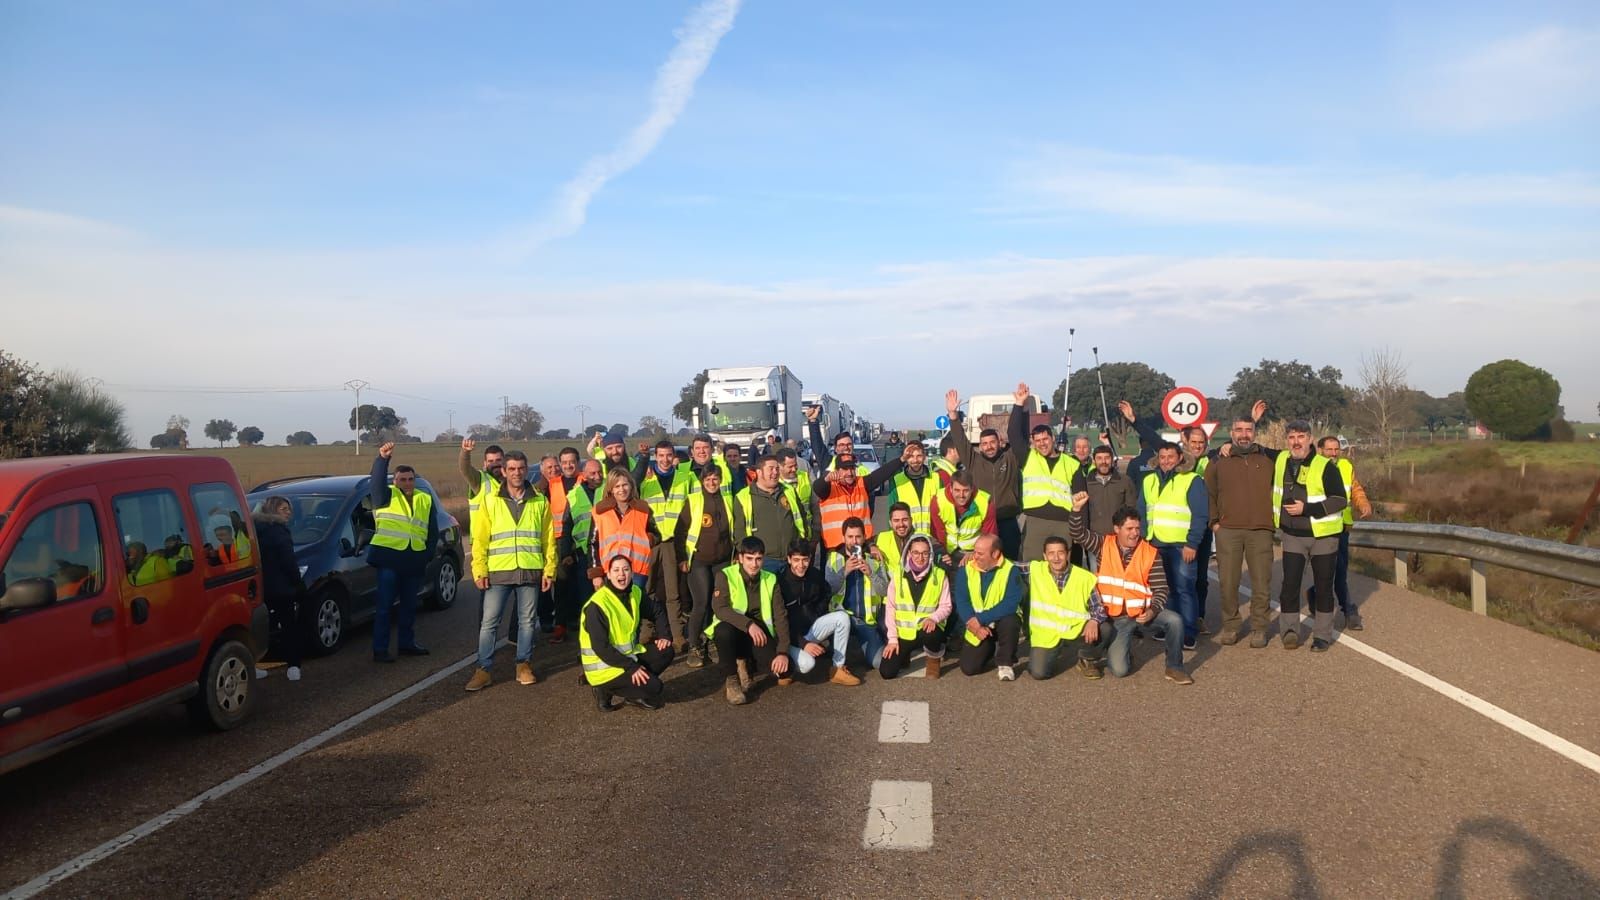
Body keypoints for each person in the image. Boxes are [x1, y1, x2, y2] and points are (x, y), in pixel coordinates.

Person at [1068, 502, 1193, 684]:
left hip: (1142, 613)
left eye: (1137, 528)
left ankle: (1174, 667)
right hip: (1112, 617)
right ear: (1117, 529)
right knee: (1120, 670)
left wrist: (1153, 610)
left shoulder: (1150, 553)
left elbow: (1160, 588)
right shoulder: (1103, 544)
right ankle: (1090, 656)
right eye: (1129, 528)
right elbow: (1078, 533)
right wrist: (1076, 510)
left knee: (1175, 621)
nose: (1135, 533)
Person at [466, 450, 555, 692]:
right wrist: (479, 569)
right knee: (489, 623)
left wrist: (549, 570)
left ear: (527, 470)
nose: (517, 473)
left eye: (521, 468)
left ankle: (523, 665)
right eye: (512, 469)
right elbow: (481, 539)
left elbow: (548, 539)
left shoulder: (539, 500)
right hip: (498, 572)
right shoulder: (490, 500)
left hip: (529, 570)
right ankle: (483, 670)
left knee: (527, 622)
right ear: (504, 471)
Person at [1266, 420, 1348, 651]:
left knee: (1323, 586)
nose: (1296, 442)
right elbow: (1253, 448)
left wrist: (1307, 509)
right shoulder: (1282, 459)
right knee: (1289, 585)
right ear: (1287, 440)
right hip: (1292, 535)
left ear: (1310, 439)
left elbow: (1340, 500)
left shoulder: (1325, 466)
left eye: (1301, 437)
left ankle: (1322, 635)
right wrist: (1224, 447)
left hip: (1323, 535)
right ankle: (1290, 631)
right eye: (1291, 437)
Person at [1205, 402, 1277, 648]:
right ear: (1231, 432)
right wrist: (1214, 523)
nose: (1244, 434)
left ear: (1255, 432)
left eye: (1249, 429)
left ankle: (1259, 627)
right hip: (1228, 530)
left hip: (1261, 529)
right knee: (1228, 582)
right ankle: (1231, 625)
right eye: (1239, 430)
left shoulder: (1268, 458)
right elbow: (1210, 493)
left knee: (1261, 582)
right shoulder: (1217, 459)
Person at [1137, 440, 1209, 651]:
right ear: (1157, 459)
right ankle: (1167, 626)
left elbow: (1200, 515)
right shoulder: (1149, 480)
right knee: (1163, 589)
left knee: (1185, 589)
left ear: (1179, 458)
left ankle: (1188, 631)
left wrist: (1192, 543)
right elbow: (1141, 511)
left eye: (1171, 457)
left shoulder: (1192, 480)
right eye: (1162, 457)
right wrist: (1143, 539)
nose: (1166, 461)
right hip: (1155, 544)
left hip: (1181, 546)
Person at [367, 443, 435, 662]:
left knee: (409, 607)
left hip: (413, 560)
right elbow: (375, 482)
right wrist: (382, 459)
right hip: (389, 560)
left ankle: (406, 644)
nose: (407, 483)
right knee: (385, 608)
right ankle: (380, 650)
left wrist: (427, 554)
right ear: (394, 481)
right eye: (402, 479)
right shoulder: (385, 496)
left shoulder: (425, 499)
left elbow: (431, 530)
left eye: (410, 479)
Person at [581, 555, 674, 712]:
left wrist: (664, 635)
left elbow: (656, 611)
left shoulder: (635, 592)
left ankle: (632, 692)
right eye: (616, 570)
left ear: (632, 573)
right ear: (608, 575)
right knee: (655, 688)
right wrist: (632, 668)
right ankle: (603, 689)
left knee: (666, 651)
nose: (621, 574)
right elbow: (600, 647)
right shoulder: (597, 605)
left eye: (625, 569)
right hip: (604, 669)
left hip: (627, 657)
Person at [1009, 383, 1087, 562]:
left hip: (1064, 523)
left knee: (1061, 567)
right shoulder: (1028, 458)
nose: (1042, 444)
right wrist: (1019, 404)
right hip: (1036, 521)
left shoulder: (1071, 464)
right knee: (1032, 567)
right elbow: (1013, 434)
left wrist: (1078, 529)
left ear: (1053, 438)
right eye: (1037, 441)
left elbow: (1080, 500)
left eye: (1045, 439)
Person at [709, 537, 791, 705]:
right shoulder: (725, 575)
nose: (754, 564)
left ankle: (746, 662)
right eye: (749, 558)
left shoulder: (770, 579)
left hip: (758, 632)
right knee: (723, 632)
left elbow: (780, 616)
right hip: (734, 627)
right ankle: (732, 680)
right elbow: (720, 608)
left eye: (759, 559)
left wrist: (783, 651)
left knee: (785, 671)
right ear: (740, 558)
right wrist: (749, 625)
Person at [633, 440, 695, 653]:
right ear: (655, 456)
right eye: (661, 456)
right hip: (649, 541)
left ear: (673, 456)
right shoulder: (646, 481)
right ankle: (647, 630)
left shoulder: (684, 479)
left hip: (672, 543)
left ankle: (677, 634)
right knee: (647, 589)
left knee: (672, 591)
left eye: (669, 455)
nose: (665, 460)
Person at [944, 389, 1022, 558]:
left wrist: (1019, 406)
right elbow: (960, 439)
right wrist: (953, 415)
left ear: (1000, 443)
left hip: (1008, 522)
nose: (988, 446)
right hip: (983, 523)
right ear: (979, 446)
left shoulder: (1010, 459)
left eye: (992, 442)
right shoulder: (974, 461)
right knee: (984, 565)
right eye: (984, 443)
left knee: (1009, 564)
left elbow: (1018, 436)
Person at [1308, 435, 1373, 629]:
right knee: (1325, 573)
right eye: (1329, 450)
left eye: (1337, 449)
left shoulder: (1345, 466)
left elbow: (1355, 489)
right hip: (1318, 528)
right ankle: (1316, 595)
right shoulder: (1313, 467)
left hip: (1341, 528)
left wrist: (1364, 504)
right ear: (1320, 450)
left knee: (1340, 571)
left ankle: (1349, 611)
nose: (1334, 453)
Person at [778, 539, 861, 686]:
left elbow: (824, 597)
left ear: (810, 559)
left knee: (842, 617)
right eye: (796, 560)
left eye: (805, 560)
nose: (801, 565)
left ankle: (838, 668)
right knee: (807, 664)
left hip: (809, 630)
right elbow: (779, 623)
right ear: (789, 559)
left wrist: (816, 614)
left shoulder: (815, 575)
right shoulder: (780, 582)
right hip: (786, 638)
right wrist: (804, 644)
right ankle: (786, 666)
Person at [1024, 535, 1104, 681]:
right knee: (1039, 673)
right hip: (1046, 635)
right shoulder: (1034, 569)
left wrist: (1094, 621)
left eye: (1060, 553)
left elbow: (1099, 606)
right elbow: (1005, 565)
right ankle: (1054, 652)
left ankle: (1086, 658)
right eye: (1051, 553)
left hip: (1076, 631)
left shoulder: (1084, 577)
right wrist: (974, 557)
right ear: (1044, 556)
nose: (1056, 558)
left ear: (1068, 554)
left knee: (1105, 627)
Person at [679, 465, 734, 668]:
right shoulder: (693, 501)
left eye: (715, 479)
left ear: (721, 481)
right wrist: (682, 559)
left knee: (717, 603)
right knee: (701, 604)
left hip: (723, 560)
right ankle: (694, 645)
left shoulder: (727, 500)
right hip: (699, 561)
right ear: (702, 481)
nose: (712, 483)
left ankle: (712, 641)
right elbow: (681, 532)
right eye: (708, 479)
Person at [952, 534, 1025, 679]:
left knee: (1011, 621)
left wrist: (980, 619)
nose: (975, 556)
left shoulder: (1011, 570)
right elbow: (961, 600)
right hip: (978, 624)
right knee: (969, 668)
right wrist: (974, 624)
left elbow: (1011, 603)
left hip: (1001, 620)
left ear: (995, 553)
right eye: (974, 551)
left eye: (980, 553)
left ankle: (1005, 663)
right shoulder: (965, 570)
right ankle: (989, 648)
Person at [824, 517, 890, 675]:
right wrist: (844, 572)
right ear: (843, 538)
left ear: (864, 537)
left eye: (858, 536)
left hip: (866, 620)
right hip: (842, 619)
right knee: (840, 660)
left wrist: (871, 573)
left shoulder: (874, 559)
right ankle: (840, 652)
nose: (854, 541)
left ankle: (864, 647)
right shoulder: (833, 558)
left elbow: (885, 591)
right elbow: (827, 591)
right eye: (850, 537)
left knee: (879, 663)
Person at [880, 535, 952, 679]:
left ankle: (933, 659)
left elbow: (946, 606)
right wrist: (892, 639)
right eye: (916, 553)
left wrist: (934, 618)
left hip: (927, 629)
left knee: (931, 634)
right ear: (909, 553)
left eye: (925, 553)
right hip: (904, 633)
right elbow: (890, 608)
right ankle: (904, 656)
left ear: (930, 554)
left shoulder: (939, 575)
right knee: (887, 672)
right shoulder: (898, 576)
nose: (920, 557)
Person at [254, 495, 306, 682]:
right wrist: (298, 584)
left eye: (289, 509)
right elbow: (288, 562)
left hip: (261, 588)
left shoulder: (255, 529)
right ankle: (293, 666)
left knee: (261, 627)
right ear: (273, 510)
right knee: (288, 627)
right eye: (284, 509)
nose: (289, 513)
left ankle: (254, 665)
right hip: (282, 588)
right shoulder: (279, 532)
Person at [555, 459, 605, 642]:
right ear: (584, 475)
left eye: (599, 472)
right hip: (584, 553)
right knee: (587, 598)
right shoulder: (574, 495)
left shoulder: (609, 488)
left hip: (608, 551)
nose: (597, 476)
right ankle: (589, 640)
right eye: (593, 473)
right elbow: (567, 525)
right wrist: (566, 553)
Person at [590, 469, 660, 595]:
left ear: (631, 486)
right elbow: (592, 544)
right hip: (611, 572)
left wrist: (649, 539)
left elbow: (656, 533)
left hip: (637, 570)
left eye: (624, 485)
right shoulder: (600, 512)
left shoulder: (643, 509)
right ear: (611, 489)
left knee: (635, 607)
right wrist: (596, 573)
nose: (621, 490)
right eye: (617, 486)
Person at [732, 455, 803, 572]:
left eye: (777, 469)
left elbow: (801, 518)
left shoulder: (788, 491)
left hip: (791, 558)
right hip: (764, 561)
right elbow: (739, 531)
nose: (775, 473)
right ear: (759, 472)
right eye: (771, 469)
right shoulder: (744, 496)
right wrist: (749, 559)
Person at [929, 471, 995, 569]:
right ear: (950, 488)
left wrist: (975, 553)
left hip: (973, 552)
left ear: (972, 489)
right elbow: (938, 533)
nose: (961, 495)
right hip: (947, 551)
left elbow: (990, 536)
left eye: (966, 490)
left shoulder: (985, 502)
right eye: (957, 490)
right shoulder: (938, 501)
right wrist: (942, 554)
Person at [884, 441, 944, 534]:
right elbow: (891, 514)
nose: (915, 460)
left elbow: (944, 510)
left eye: (919, 456)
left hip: (932, 538)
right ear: (906, 458)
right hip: (907, 537)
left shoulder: (936, 478)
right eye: (911, 456)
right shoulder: (896, 480)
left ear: (924, 457)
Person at [1083, 442, 1139, 539]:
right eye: (1099, 458)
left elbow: (1132, 510)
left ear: (1112, 460)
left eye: (1107, 458)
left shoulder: (1125, 481)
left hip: (1119, 537)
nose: (1103, 461)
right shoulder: (1086, 483)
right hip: (1094, 538)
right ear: (1094, 461)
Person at [457, 438, 505, 525]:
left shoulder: (512, 481)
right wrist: (465, 452)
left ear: (504, 461)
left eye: (498, 460)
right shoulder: (479, 480)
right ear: (485, 463)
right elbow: (465, 469)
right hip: (482, 537)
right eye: (490, 461)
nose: (495, 464)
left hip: (503, 537)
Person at [775, 448, 815, 540]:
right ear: (780, 466)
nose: (794, 469)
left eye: (795, 465)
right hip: (787, 537)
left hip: (807, 535)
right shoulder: (775, 484)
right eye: (790, 467)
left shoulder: (805, 477)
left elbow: (815, 506)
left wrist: (815, 532)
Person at [870, 503, 916, 573]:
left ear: (911, 520)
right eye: (896, 520)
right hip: (889, 583)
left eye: (905, 520)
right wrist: (871, 546)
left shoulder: (923, 538)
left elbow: (937, 549)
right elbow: (862, 543)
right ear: (890, 523)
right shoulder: (882, 537)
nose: (901, 524)